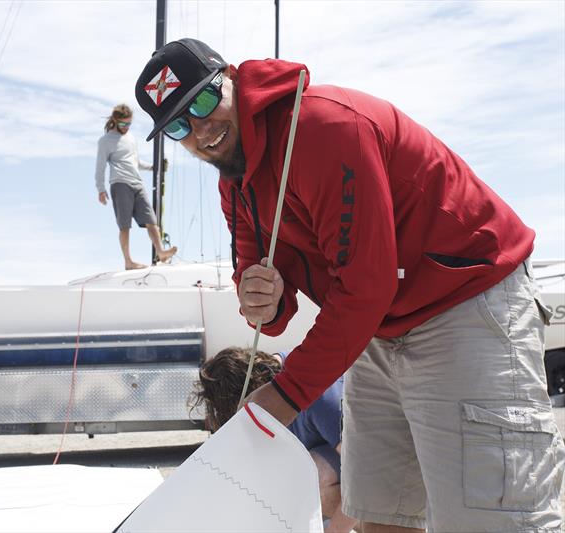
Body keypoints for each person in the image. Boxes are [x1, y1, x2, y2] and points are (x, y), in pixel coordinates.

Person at [135, 38, 564, 532]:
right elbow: (269, 309)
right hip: (378, 329)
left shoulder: (323, 127)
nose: (201, 131)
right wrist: (263, 304)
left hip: (463, 304)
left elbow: (365, 285)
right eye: (180, 127)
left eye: (204, 103)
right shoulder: (236, 186)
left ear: (231, 77)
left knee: (491, 520)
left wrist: (284, 395)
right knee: (380, 515)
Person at [190, 347, 358, 533]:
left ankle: (376, 524)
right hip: (347, 463)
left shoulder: (320, 394)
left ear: (255, 394)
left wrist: (334, 531)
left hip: (382, 469)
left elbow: (366, 473)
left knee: (310, 475)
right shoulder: (268, 391)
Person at [95, 103, 177, 270]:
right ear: (115, 121)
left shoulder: (131, 138)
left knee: (151, 220)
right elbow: (100, 167)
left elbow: (135, 162)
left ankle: (161, 252)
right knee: (124, 225)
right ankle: (128, 261)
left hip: (137, 182)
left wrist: (154, 167)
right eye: (123, 124)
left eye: (129, 124)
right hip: (120, 183)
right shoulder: (105, 141)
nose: (126, 127)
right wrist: (101, 190)